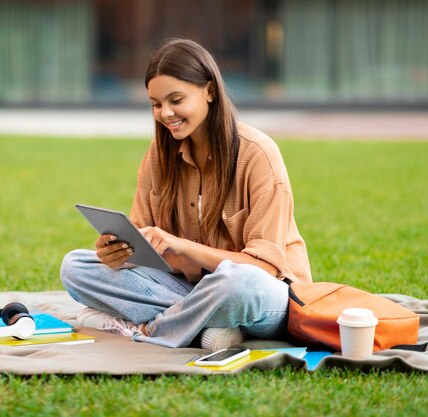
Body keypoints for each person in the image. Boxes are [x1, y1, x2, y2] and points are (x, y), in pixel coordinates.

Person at [61, 38, 312, 351]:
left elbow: (263, 270)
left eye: (176, 100)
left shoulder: (258, 154)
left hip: (266, 294)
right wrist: (118, 253)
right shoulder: (158, 156)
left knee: (236, 285)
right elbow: (144, 251)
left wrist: (183, 246)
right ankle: (205, 327)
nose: (165, 113)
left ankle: (146, 328)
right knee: (76, 266)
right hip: (189, 288)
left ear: (208, 91)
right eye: (155, 104)